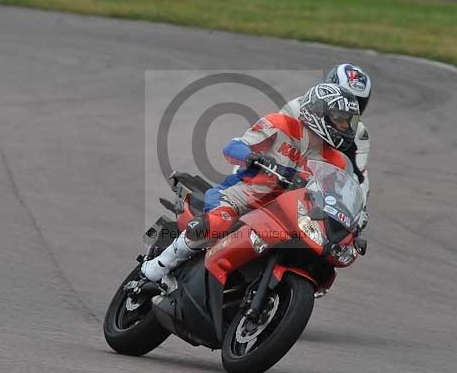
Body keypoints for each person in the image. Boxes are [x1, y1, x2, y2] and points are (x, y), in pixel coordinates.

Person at [141, 83, 361, 283]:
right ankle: (161, 264)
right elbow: (232, 147)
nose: (345, 126)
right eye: (340, 118)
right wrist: (249, 156)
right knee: (218, 223)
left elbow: (335, 196)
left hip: (285, 213)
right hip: (242, 194)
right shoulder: (279, 125)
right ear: (318, 112)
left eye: (348, 121)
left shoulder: (337, 162)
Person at [282, 63, 372, 198]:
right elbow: (269, 138)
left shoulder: (359, 132)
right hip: (279, 176)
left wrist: (358, 206)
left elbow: (359, 178)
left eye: (357, 102)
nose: (350, 107)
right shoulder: (297, 108)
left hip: (318, 197)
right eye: (343, 99)